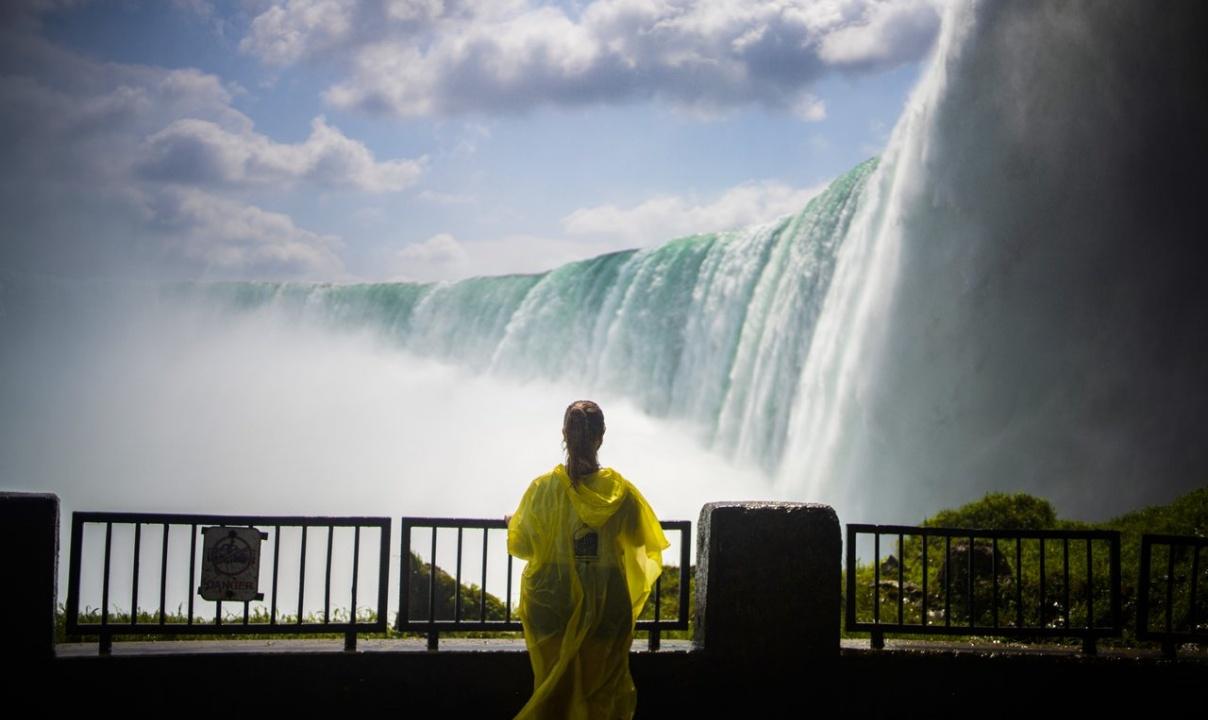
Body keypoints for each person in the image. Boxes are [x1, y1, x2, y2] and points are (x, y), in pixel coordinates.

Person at [507, 400, 669, 720]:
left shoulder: (542, 490)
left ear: (564, 434)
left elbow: (522, 544)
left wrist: (516, 521)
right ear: (601, 435)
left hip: (552, 603)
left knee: (555, 689)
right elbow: (640, 539)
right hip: (606, 603)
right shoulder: (621, 493)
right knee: (600, 692)